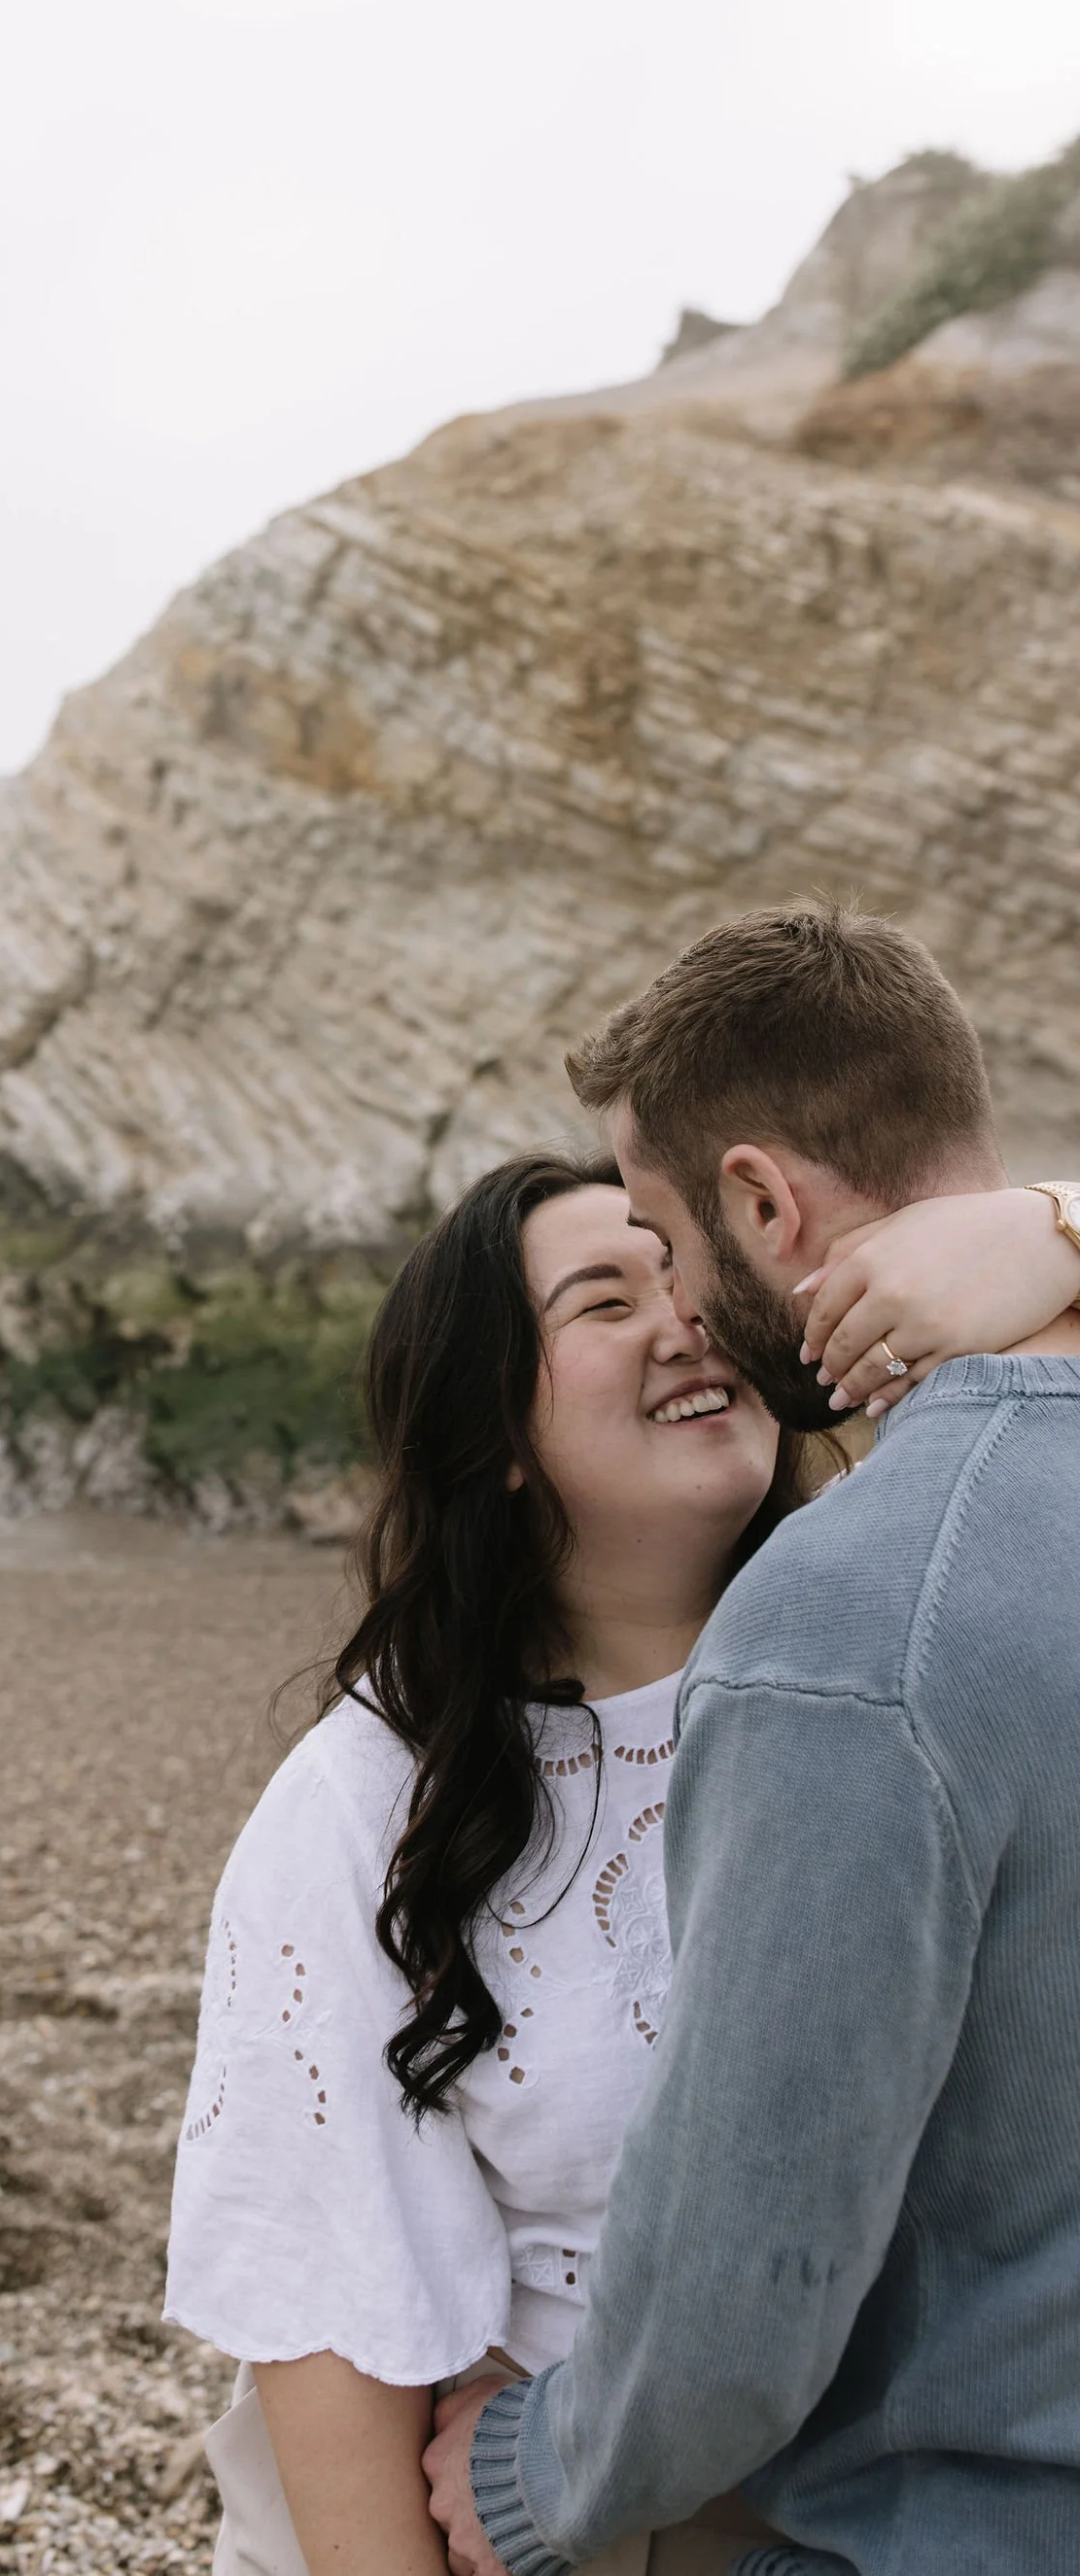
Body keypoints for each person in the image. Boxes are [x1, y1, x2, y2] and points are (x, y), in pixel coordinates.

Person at [163, 1099, 1080, 2570]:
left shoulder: (920, 1649)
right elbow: (333, 2294)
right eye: (606, 1297)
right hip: (529, 2511)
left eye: (683, 1270)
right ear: (495, 1435)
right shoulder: (369, 1806)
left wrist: (1050, 1223)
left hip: (897, 2508)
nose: (684, 1321)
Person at [420, 906, 1080, 2576]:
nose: (688, 1314)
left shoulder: (842, 1629)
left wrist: (531, 2467)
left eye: (668, 1233)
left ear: (764, 1201)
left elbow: (741, 2286)